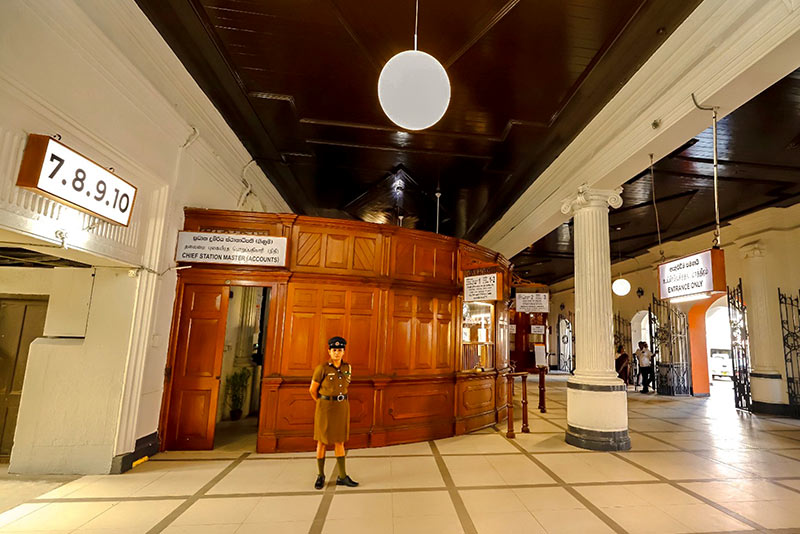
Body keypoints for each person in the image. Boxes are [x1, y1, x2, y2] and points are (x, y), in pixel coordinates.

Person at [309, 336, 359, 489]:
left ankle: (342, 476)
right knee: (322, 441)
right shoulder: (322, 368)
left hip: (341, 406)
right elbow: (312, 390)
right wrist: (322, 403)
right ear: (329, 351)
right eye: (334, 350)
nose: (337, 353)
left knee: (340, 441)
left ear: (343, 352)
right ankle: (320, 475)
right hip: (325, 406)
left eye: (340, 350)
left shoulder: (347, 368)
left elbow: (346, 385)